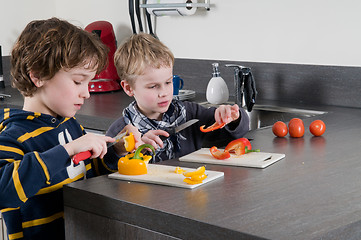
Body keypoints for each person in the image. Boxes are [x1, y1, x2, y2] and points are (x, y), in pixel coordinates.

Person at [0, 18, 140, 240]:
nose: (86, 93)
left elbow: (89, 171)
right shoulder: (13, 135)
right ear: (37, 75)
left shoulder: (69, 125)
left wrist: (117, 150)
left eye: (89, 82)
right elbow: (4, 190)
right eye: (78, 81)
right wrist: (67, 150)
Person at [107, 33, 250, 162]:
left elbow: (235, 134)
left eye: (168, 82)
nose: (163, 92)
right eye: (153, 86)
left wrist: (232, 117)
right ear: (128, 88)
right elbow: (107, 168)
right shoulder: (121, 130)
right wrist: (133, 149)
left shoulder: (190, 113)